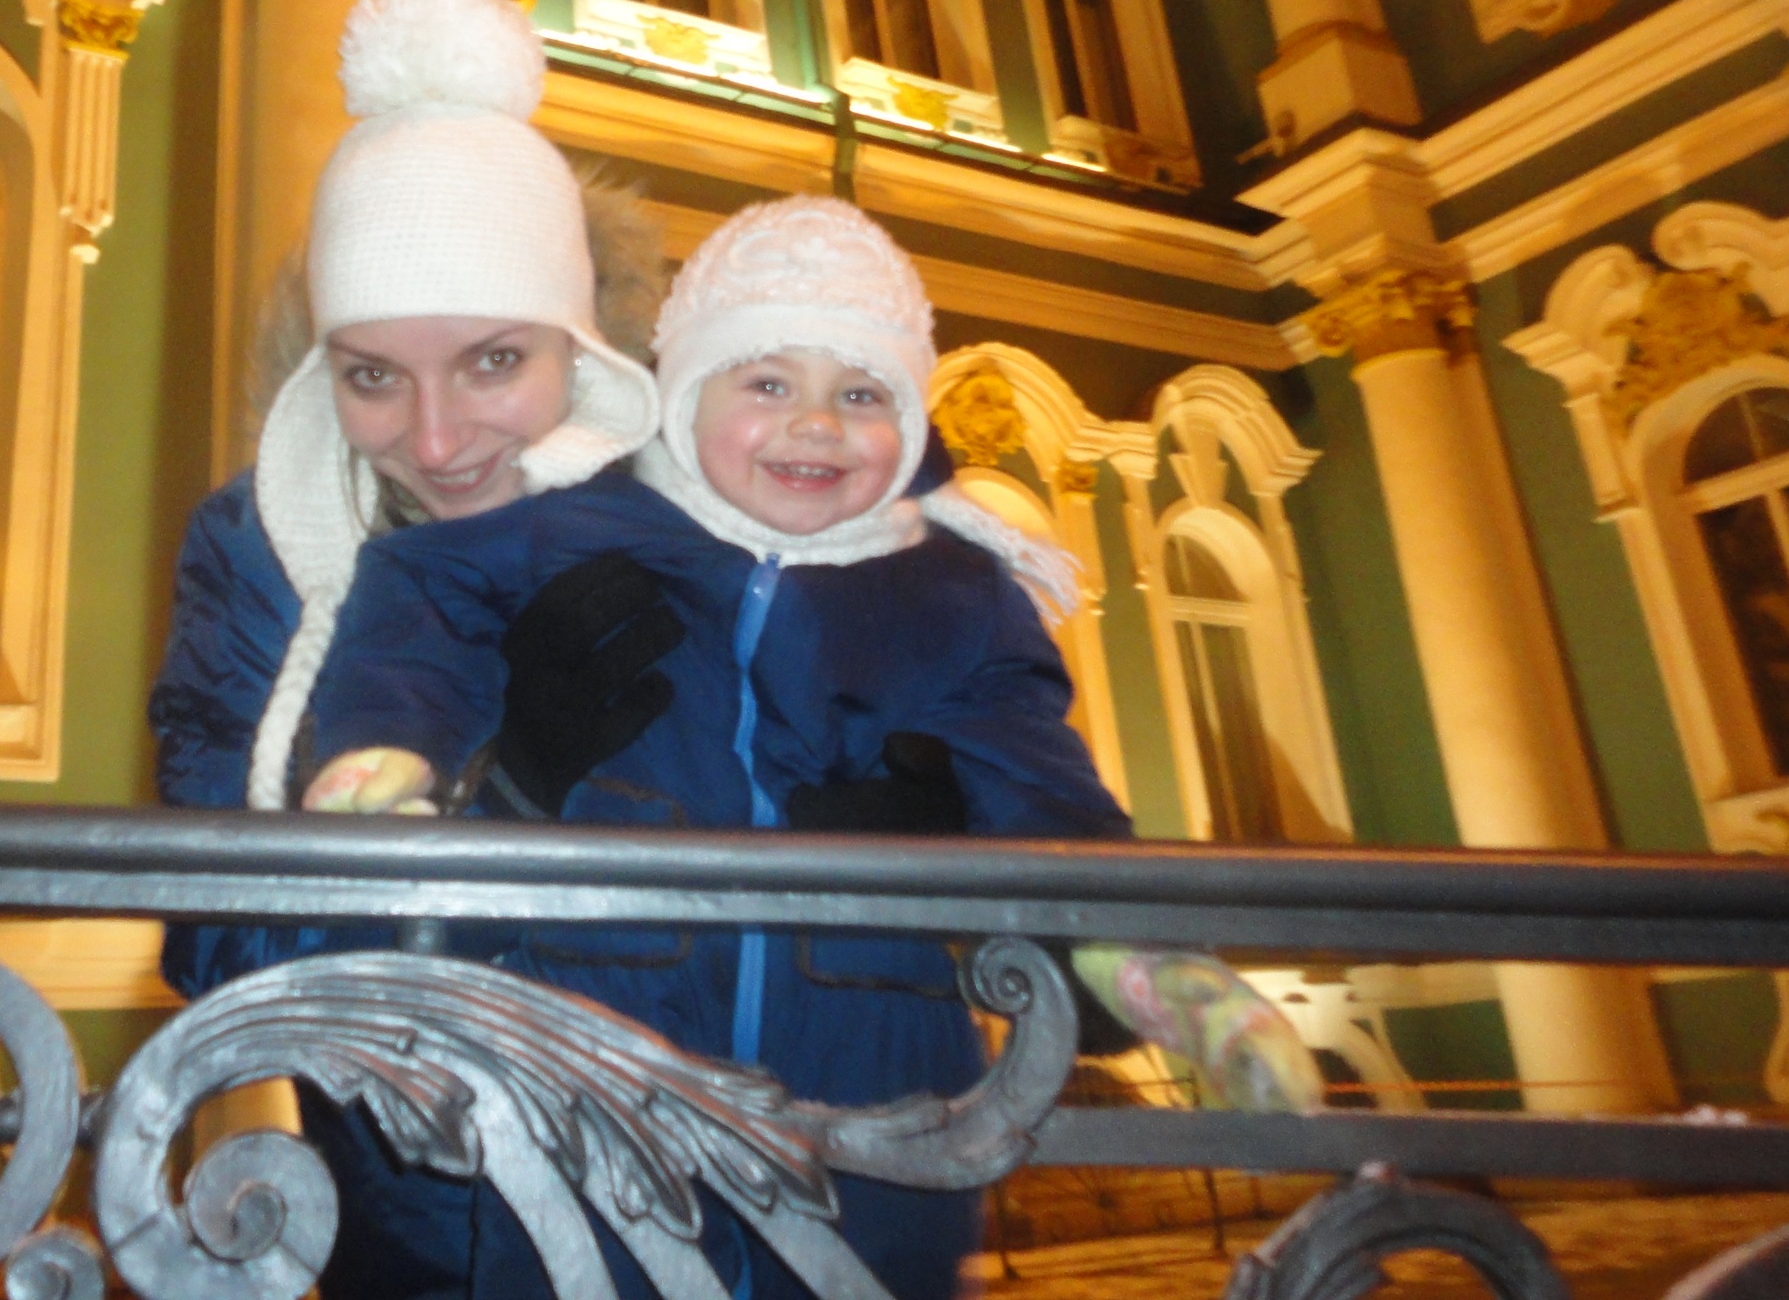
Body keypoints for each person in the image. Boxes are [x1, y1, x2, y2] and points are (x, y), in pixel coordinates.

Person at [306, 194, 1321, 1299]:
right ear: (685, 393)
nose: (817, 424)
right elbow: (425, 589)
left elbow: (1038, 782)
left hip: (874, 1065)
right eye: (767, 383)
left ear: (911, 423)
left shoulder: (955, 591)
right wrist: (391, 742)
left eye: (861, 393)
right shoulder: (587, 523)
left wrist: (1133, 952)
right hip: (603, 1039)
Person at [148, 0, 665, 1298]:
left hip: (708, 1205)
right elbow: (214, 934)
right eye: (373, 376)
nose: (435, 442)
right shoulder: (257, 550)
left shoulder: (688, 525)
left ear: (582, 348)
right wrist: (504, 810)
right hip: (417, 1226)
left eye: (493, 360)